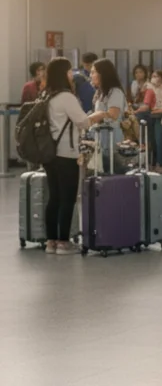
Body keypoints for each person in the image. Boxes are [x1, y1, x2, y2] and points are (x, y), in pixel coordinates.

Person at [40, 58, 91, 255]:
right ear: (63, 74)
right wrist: (94, 116)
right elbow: (83, 122)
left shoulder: (46, 95)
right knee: (67, 198)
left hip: (49, 153)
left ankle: (51, 242)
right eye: (70, 71)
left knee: (54, 197)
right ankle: (63, 243)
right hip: (66, 152)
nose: (72, 74)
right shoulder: (66, 97)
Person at [89, 58, 128, 169]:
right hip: (101, 138)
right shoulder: (101, 92)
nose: (91, 75)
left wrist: (97, 116)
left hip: (111, 138)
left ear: (103, 74)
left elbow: (113, 114)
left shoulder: (115, 92)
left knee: (112, 169)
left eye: (93, 72)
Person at [149, 70, 162, 169]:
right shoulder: (150, 88)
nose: (155, 78)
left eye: (157, 76)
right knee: (151, 141)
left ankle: (160, 163)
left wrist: (155, 111)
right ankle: (152, 163)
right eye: (153, 76)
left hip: (160, 117)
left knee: (159, 141)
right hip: (150, 116)